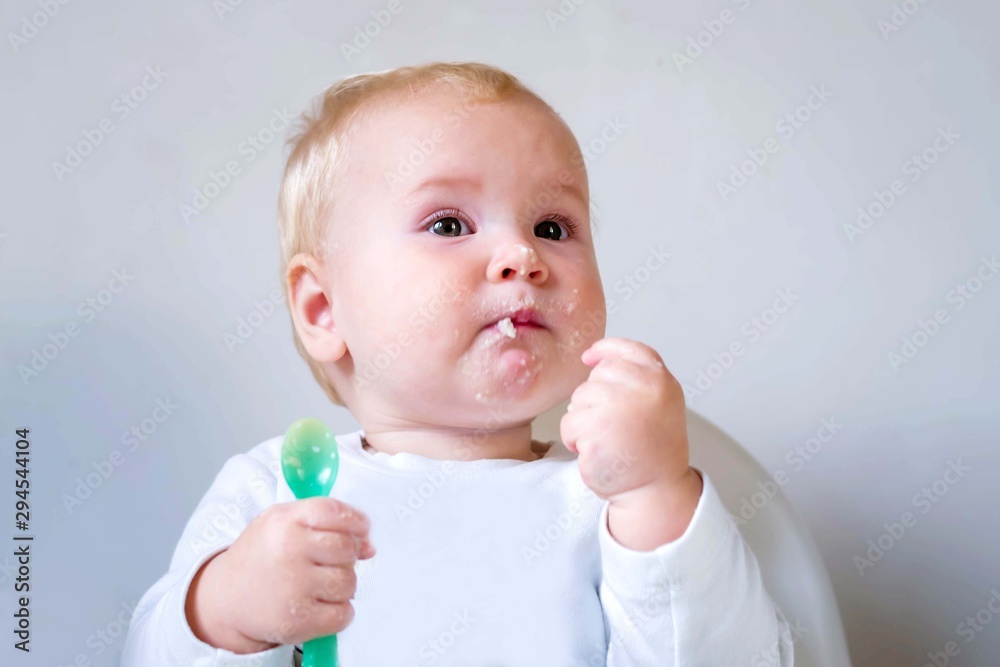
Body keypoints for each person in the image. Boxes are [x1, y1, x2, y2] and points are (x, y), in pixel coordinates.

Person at [122, 61, 793, 666]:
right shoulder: (278, 488)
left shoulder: (606, 501)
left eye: (552, 227)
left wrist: (658, 494)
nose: (522, 256)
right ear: (325, 308)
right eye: (448, 224)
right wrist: (225, 609)